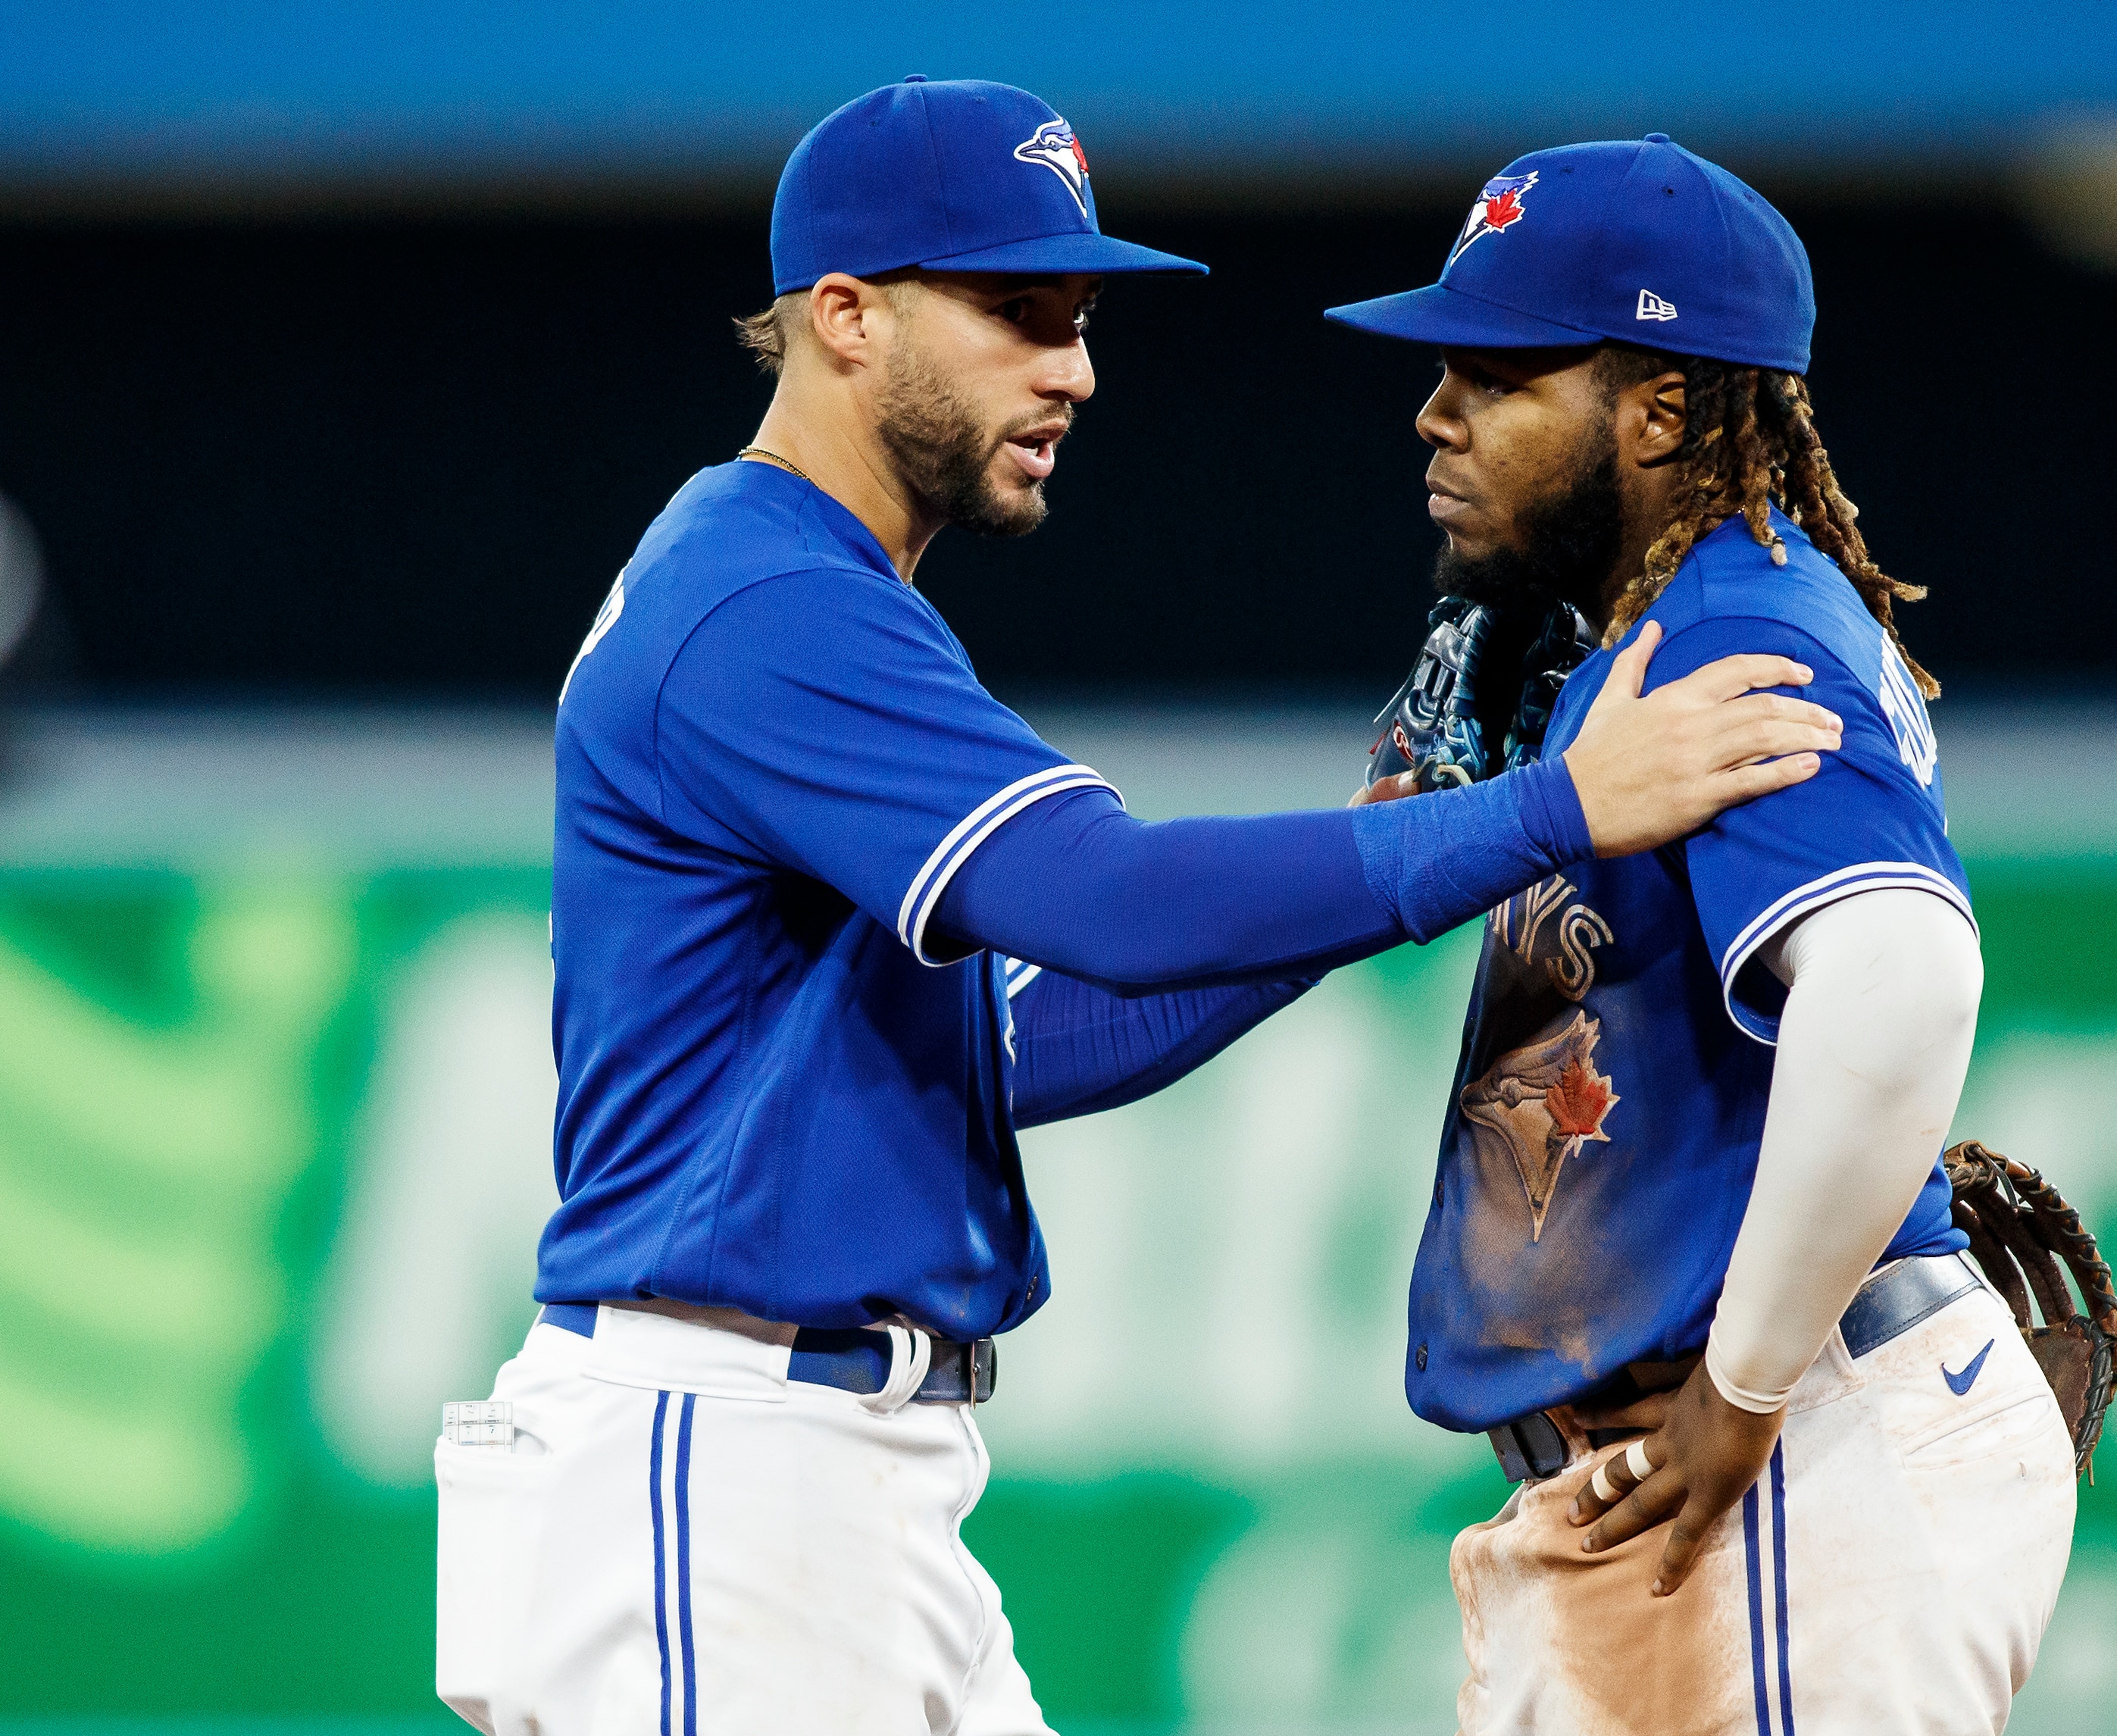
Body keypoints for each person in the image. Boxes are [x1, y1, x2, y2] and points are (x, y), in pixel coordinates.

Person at [431, 84, 1846, 1736]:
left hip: (826, 1474)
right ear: (843, 317)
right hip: (722, 1463)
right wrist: (1549, 810)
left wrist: (1397, 828)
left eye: (1084, 320)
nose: (1076, 370)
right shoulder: (766, 604)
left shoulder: (798, 588)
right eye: (1018, 314)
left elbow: (1041, 1035)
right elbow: (1111, 900)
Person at [1324, 136, 2078, 1734]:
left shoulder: (1730, 631)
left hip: (1789, 1446)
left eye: (1498, 374)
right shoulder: (1640, 639)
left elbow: (1903, 976)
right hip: (1745, 1451)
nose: (1435, 413)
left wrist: (1742, 1389)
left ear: (1660, 411)